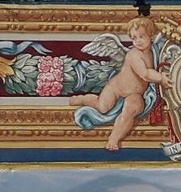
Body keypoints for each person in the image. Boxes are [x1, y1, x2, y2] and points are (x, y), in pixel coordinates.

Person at [69, 15, 167, 150]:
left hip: (135, 93)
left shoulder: (153, 52)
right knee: (103, 107)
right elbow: (145, 74)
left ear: (151, 35)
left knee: (131, 109)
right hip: (116, 88)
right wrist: (161, 78)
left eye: (141, 36)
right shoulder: (134, 54)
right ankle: (83, 99)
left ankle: (114, 139)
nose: (138, 41)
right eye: (134, 38)